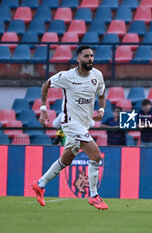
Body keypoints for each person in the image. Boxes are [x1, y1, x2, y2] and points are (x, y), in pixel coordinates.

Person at [32, 46, 109, 210]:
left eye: (92, 56)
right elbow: (46, 85)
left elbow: (102, 94)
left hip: (84, 124)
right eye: (86, 56)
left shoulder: (97, 75)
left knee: (66, 159)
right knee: (95, 156)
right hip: (70, 122)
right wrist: (43, 110)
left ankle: (40, 183)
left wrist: (101, 110)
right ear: (78, 59)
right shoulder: (67, 76)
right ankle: (94, 195)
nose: (90, 59)